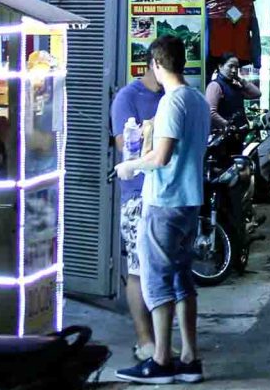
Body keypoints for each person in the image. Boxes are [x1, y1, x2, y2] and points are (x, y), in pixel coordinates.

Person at [113, 36, 211, 384]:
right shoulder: (198, 99)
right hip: (189, 201)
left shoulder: (172, 103)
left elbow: (161, 156)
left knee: (157, 282)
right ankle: (189, 357)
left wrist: (131, 167)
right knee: (183, 280)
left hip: (165, 201)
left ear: (156, 64)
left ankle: (160, 360)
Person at [108, 67, 164, 363]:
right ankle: (144, 340)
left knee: (163, 271)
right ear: (155, 65)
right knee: (138, 269)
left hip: (167, 194)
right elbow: (123, 145)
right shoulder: (127, 97)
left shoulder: (172, 95)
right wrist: (153, 129)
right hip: (138, 194)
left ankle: (162, 342)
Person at [204, 53, 260, 131]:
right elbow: (211, 112)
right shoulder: (215, 86)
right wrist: (228, 125)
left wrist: (240, 80)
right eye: (230, 66)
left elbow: (257, 94)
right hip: (224, 133)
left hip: (240, 130)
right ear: (220, 66)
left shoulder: (235, 85)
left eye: (236, 67)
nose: (234, 70)